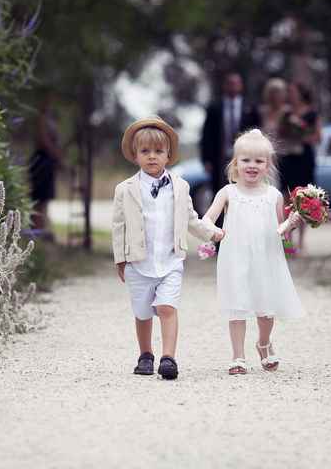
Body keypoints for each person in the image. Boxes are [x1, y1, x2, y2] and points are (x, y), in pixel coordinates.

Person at [112, 117, 224, 380]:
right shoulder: (125, 189)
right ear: (135, 155)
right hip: (139, 261)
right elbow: (119, 226)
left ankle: (169, 358)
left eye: (158, 152)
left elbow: (191, 219)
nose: (152, 157)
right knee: (142, 312)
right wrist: (120, 259)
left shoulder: (180, 186)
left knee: (167, 307)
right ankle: (145, 354)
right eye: (145, 152)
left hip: (171, 260)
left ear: (168, 155)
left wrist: (214, 233)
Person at [202, 129, 304, 375]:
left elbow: (281, 231)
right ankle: (238, 356)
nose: (252, 165)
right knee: (237, 306)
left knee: (265, 306)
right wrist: (213, 232)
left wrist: (291, 223)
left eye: (259, 161)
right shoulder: (228, 193)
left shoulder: (274, 195)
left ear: (267, 165)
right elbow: (207, 218)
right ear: (235, 163)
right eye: (246, 160)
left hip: (266, 257)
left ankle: (264, 342)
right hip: (235, 257)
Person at [200, 72, 260, 198]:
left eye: (236, 84)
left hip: (244, 157)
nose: (233, 86)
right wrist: (206, 160)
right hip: (219, 158)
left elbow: (257, 132)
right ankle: (220, 217)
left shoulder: (250, 107)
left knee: (243, 191)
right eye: (230, 84)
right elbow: (206, 135)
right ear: (225, 86)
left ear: (241, 86)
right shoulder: (215, 107)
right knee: (219, 192)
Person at [283, 82, 322, 253]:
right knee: (287, 199)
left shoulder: (312, 113)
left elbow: (318, 137)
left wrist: (302, 135)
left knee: (304, 199)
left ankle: (301, 241)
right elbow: (281, 132)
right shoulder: (286, 113)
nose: (289, 94)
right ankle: (288, 242)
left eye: (292, 91)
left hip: (305, 159)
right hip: (288, 159)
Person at [28, 92, 63, 239]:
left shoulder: (50, 118)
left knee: (45, 199)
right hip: (42, 160)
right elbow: (43, 140)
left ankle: (40, 229)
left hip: (49, 160)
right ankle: (36, 230)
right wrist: (55, 154)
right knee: (39, 198)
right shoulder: (41, 118)